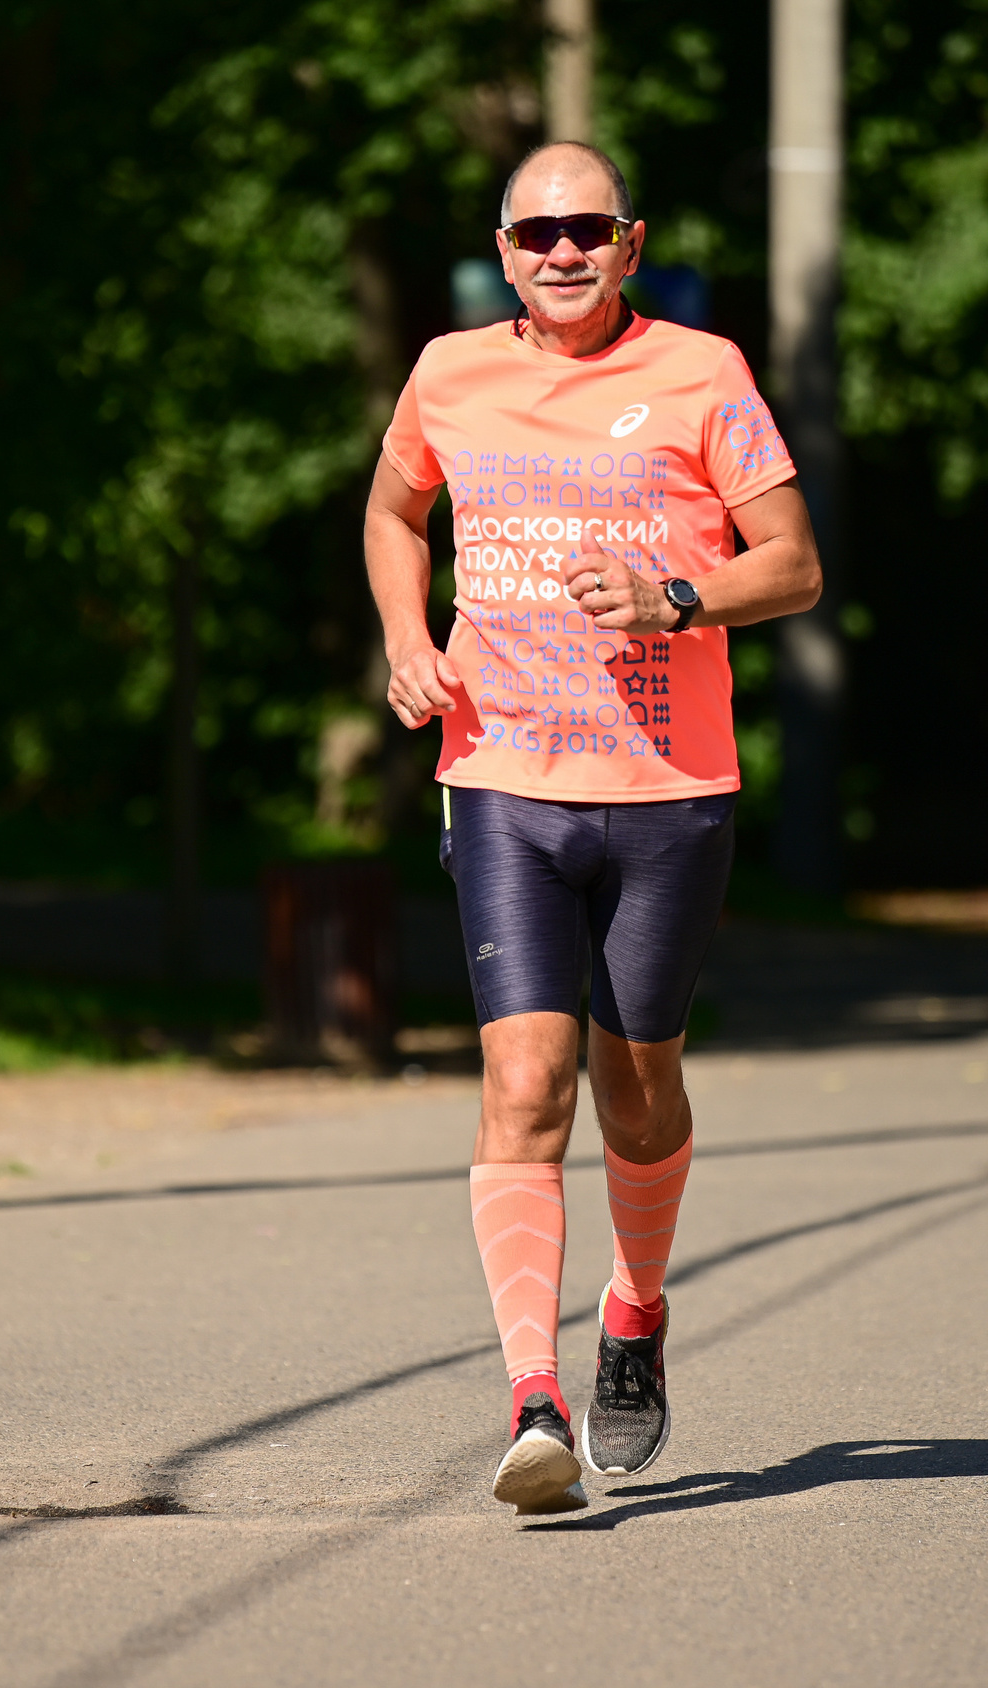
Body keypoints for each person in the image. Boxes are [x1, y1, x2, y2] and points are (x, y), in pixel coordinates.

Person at [364, 141, 823, 1515]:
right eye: (536, 232)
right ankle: (532, 1399)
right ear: (502, 249)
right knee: (525, 1087)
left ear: (632, 242)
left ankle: (633, 1309)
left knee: (637, 1092)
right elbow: (395, 510)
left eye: (589, 230)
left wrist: (675, 598)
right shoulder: (449, 371)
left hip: (670, 793)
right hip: (502, 772)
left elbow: (792, 564)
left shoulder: (703, 372)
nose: (562, 252)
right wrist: (404, 637)